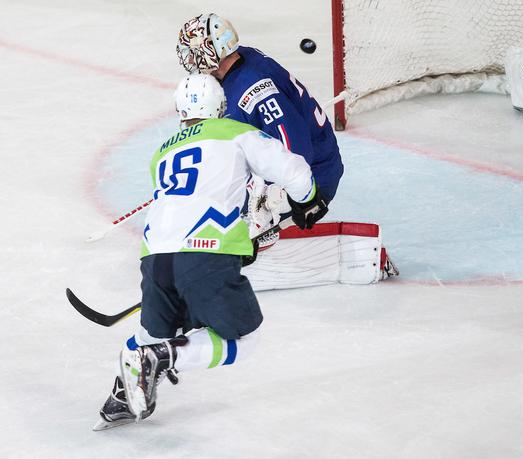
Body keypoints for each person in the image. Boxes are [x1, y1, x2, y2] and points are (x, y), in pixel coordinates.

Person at [94, 73, 326, 431]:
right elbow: (294, 171)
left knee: (151, 332)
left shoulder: (162, 151)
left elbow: (191, 201)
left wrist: (235, 248)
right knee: (244, 337)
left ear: (180, 109)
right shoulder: (234, 131)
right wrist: (308, 200)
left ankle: (121, 397)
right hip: (204, 251)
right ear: (221, 106)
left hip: (154, 255)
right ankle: (161, 357)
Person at [176, 13, 343, 241]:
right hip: (297, 162)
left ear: (212, 50)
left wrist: (296, 197)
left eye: (194, 53)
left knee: (225, 223)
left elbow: (295, 145)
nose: (191, 61)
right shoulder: (242, 58)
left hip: (315, 174)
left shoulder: (255, 89)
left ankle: (259, 235)